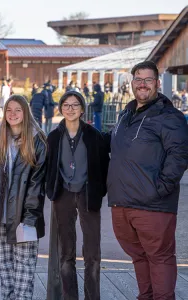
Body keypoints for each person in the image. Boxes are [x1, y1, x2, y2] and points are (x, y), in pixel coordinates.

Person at [108, 61, 188, 300]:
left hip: (153, 204)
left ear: (157, 83)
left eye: (148, 80)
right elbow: (114, 144)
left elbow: (180, 154)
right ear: (132, 83)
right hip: (122, 202)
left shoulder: (169, 116)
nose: (142, 84)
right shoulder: (126, 113)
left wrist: (161, 188)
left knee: (159, 257)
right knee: (139, 256)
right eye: (138, 80)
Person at [0, 95, 47, 300]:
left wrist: (29, 219)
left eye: (18, 110)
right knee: (6, 273)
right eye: (9, 110)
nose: (13, 114)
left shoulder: (37, 140)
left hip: (25, 218)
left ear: (25, 113)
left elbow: (37, 185)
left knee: (23, 276)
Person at [46, 91, 109, 299]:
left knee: (92, 252)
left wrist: (98, 191)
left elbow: (103, 165)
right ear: (61, 108)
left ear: (82, 109)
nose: (70, 109)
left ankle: (92, 296)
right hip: (63, 194)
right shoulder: (54, 137)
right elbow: (49, 166)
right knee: (66, 252)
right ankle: (69, 296)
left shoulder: (93, 135)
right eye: (66, 105)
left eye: (75, 105)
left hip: (87, 193)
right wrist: (51, 189)